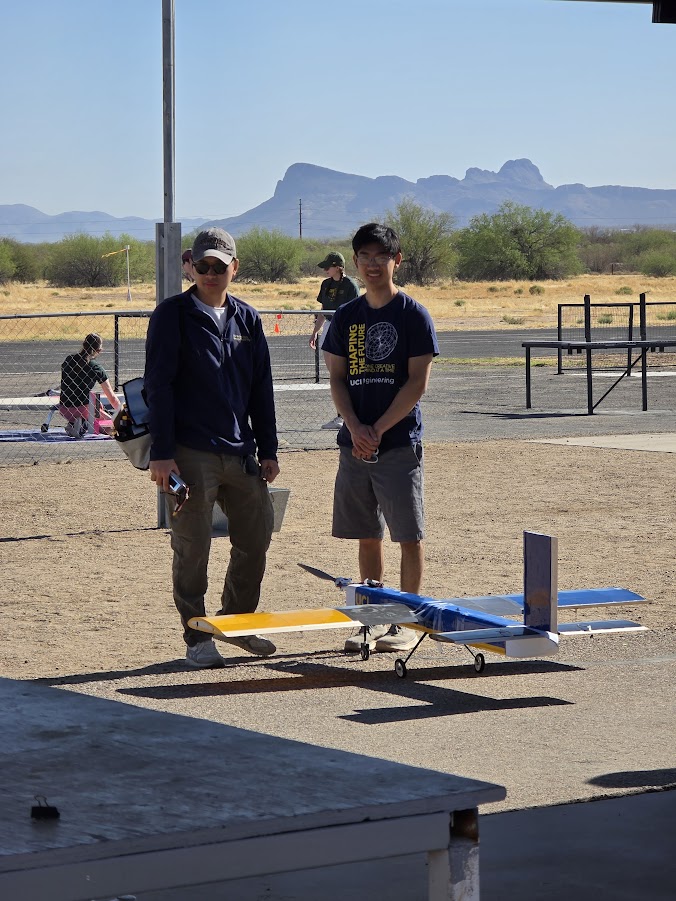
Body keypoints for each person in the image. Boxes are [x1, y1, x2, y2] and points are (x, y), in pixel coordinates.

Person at [144, 227, 281, 669]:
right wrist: (163, 453)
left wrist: (269, 449)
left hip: (241, 451)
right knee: (192, 546)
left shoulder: (248, 319)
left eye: (218, 266)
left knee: (255, 538)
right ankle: (197, 637)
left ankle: (236, 622)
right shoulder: (172, 315)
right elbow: (158, 387)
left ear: (234, 269)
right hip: (188, 452)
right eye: (201, 265)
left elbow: (262, 388)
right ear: (190, 266)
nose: (209, 273)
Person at [321, 223, 439, 653]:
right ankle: (373, 618)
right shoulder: (347, 316)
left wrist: (379, 428)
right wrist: (353, 426)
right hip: (355, 445)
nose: (373, 265)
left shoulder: (413, 315)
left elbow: (416, 384)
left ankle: (406, 620)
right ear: (355, 262)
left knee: (408, 535)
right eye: (365, 257)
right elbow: (337, 379)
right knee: (366, 534)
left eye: (381, 257)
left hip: (397, 443)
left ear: (397, 260)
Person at [309, 251, 360, 430]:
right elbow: (324, 309)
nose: (325, 270)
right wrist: (315, 332)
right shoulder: (326, 284)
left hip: (344, 329)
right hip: (329, 327)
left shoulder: (350, 285)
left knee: (344, 374)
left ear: (338, 266)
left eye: (328, 266)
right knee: (334, 376)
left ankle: (347, 416)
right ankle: (341, 415)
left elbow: (355, 311)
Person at [59, 333, 121, 437]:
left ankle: (75, 423)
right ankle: (85, 424)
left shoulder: (69, 360)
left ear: (84, 345)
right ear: (99, 350)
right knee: (117, 427)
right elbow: (112, 398)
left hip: (64, 408)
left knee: (94, 400)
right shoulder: (96, 367)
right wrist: (122, 413)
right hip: (83, 409)